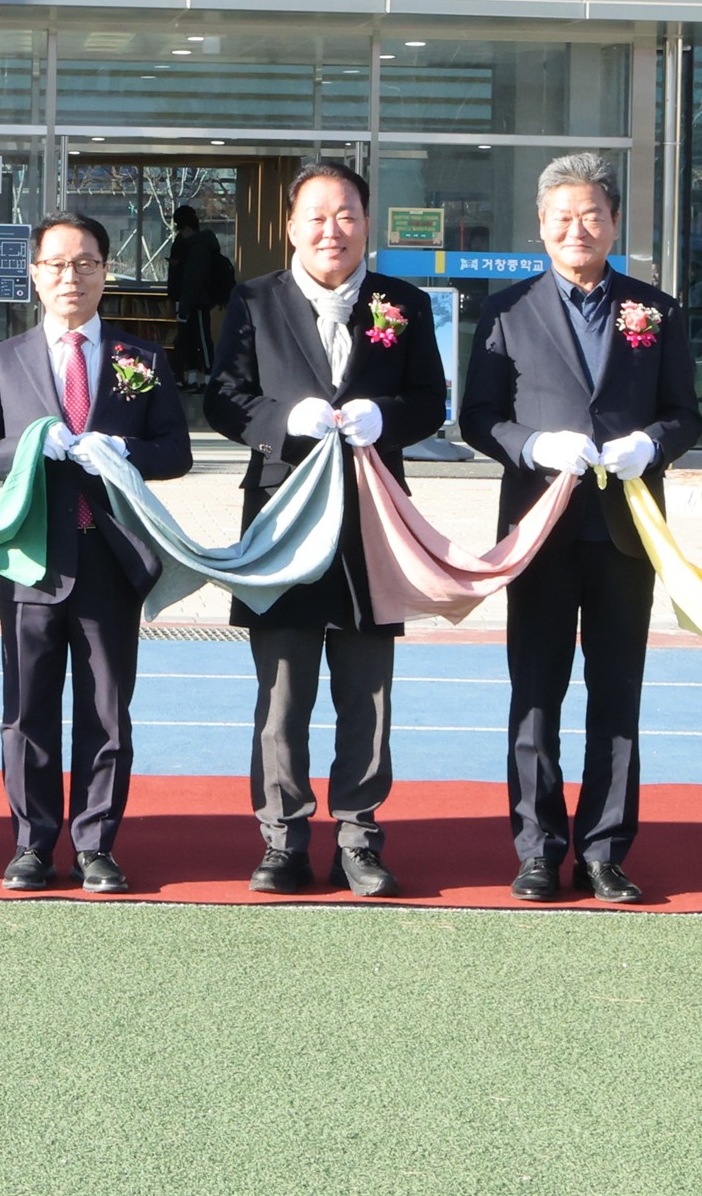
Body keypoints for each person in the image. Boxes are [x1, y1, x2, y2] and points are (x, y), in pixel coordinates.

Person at [457, 148, 702, 903]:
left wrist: (651, 444)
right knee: (535, 690)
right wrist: (532, 445)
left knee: (616, 692)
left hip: (626, 529)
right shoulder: (506, 311)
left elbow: (686, 413)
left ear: (614, 219)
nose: (577, 227)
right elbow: (479, 418)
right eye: (562, 216)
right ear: (541, 223)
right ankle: (537, 846)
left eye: (591, 214)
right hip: (540, 527)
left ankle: (604, 848)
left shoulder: (655, 310)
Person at [203, 161, 445, 899]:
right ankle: (281, 838)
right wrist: (283, 422)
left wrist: (387, 418)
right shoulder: (255, 301)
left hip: (373, 520)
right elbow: (223, 398)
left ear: (366, 222)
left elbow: (431, 398)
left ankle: (360, 837)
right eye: (315, 215)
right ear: (290, 226)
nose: (330, 229)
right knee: (282, 692)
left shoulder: (400, 301)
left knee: (368, 691)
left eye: (344, 214)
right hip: (283, 516)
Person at [0, 211, 193, 896]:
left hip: (111, 559)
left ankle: (95, 844)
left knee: (107, 709)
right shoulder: (3, 359)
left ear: (105, 271)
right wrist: (32, 446)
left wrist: (125, 451)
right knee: (27, 709)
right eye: (56, 263)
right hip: (31, 558)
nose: (71, 275)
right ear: (34, 274)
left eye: (85, 262)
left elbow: (175, 449)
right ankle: (31, 844)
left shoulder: (141, 360)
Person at [166, 202, 235, 373]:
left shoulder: (194, 249)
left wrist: (182, 307)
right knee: (198, 340)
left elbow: (191, 280)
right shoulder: (203, 245)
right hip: (199, 301)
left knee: (193, 341)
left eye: (181, 229)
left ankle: (201, 377)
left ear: (187, 228)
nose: (179, 232)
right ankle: (200, 378)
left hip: (194, 302)